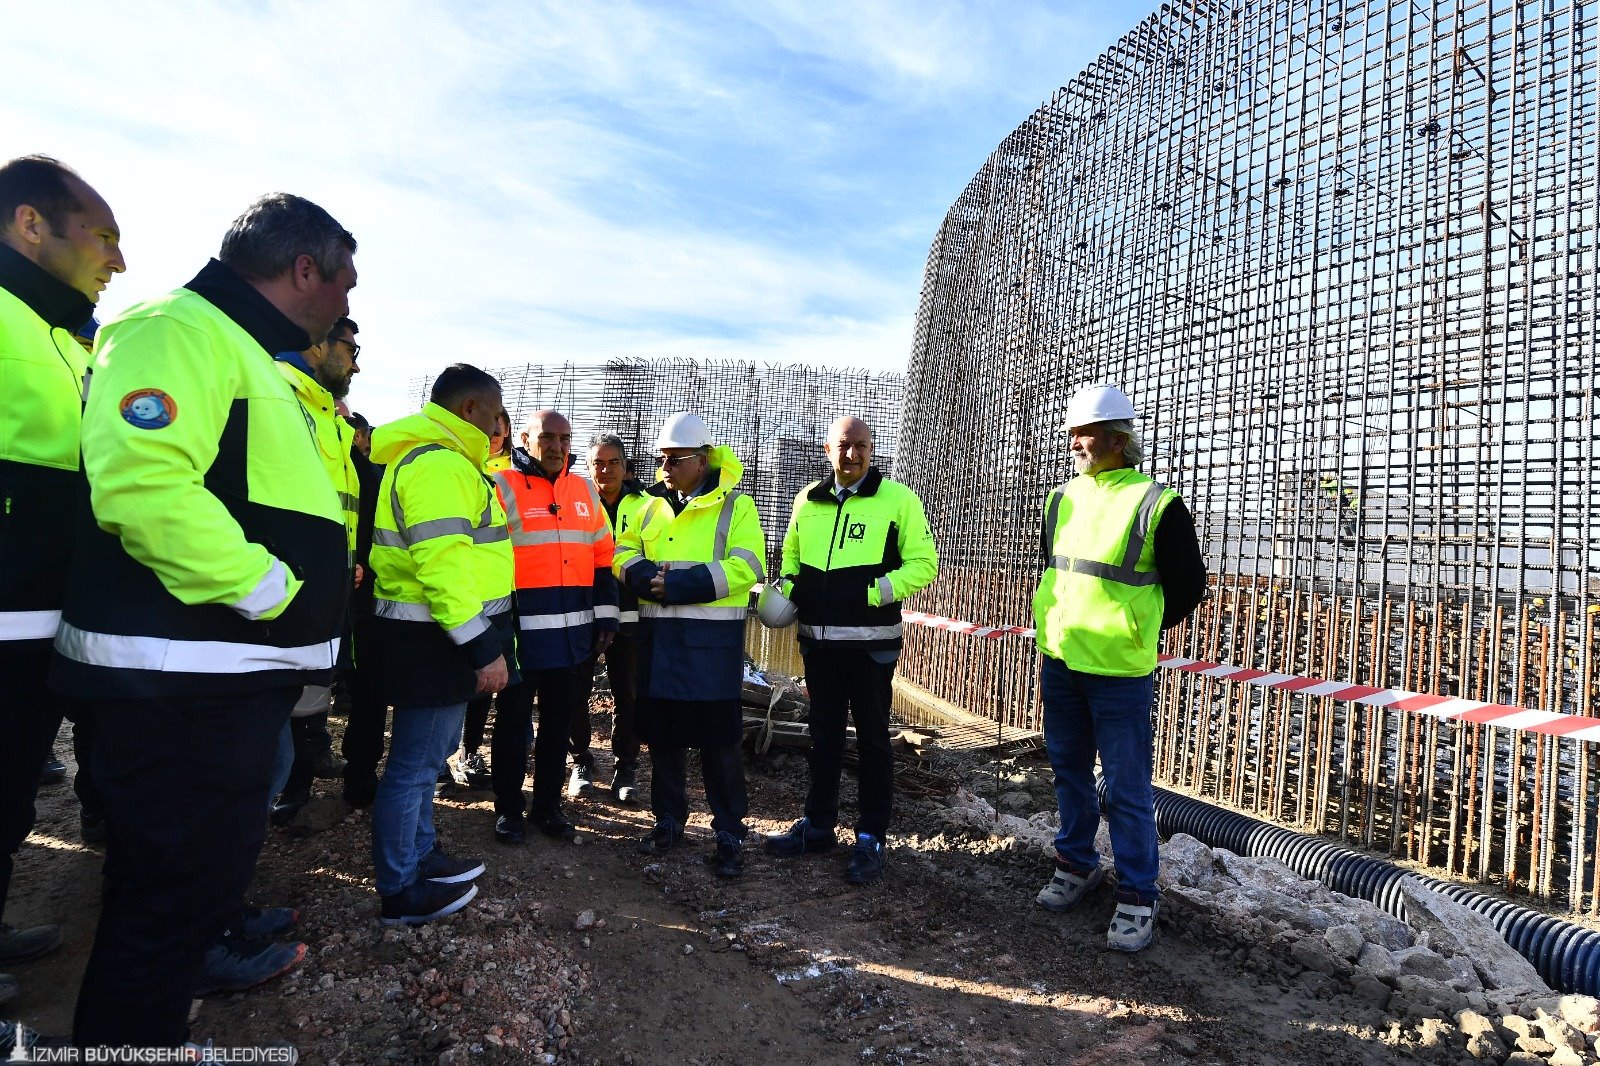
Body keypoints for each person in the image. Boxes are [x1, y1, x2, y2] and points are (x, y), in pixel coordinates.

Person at [51, 192, 355, 1048]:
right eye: (344, 284)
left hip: (211, 681)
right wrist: (271, 591)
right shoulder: (178, 328)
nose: (346, 306)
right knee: (160, 909)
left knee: (185, 899)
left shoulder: (241, 351)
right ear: (305, 270)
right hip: (177, 684)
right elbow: (143, 487)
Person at [0, 156, 123, 1010]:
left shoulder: (61, 338)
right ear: (30, 224)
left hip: (43, 614)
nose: (117, 262)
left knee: (10, 795)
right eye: (104, 237)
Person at [1030, 384, 1205, 953]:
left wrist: (1136, 628)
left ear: (1117, 437)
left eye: (1086, 432)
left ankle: (1137, 895)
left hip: (1119, 673)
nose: (1076, 442)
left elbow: (1188, 587)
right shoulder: (1062, 499)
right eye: (1073, 433)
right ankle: (1075, 863)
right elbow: (1053, 571)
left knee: (1127, 788)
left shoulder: (1157, 503)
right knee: (1069, 772)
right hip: (1061, 661)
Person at [365, 363, 514, 925]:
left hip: (436, 636)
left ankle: (420, 857)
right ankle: (400, 888)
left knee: (425, 761)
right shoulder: (439, 466)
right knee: (413, 765)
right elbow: (443, 567)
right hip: (432, 639)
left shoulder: (446, 462)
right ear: (470, 410)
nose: (501, 425)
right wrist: (482, 647)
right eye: (496, 413)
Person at [764, 416, 938, 884]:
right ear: (828, 449)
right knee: (823, 738)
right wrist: (793, 586)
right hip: (818, 644)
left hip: (870, 647)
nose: (852, 454)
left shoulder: (898, 500)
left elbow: (925, 564)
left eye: (861, 445)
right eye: (844, 446)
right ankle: (818, 825)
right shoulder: (808, 500)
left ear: (871, 449)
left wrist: (871, 592)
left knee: (873, 741)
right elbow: (792, 554)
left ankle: (871, 838)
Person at [614, 412, 765, 877]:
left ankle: (728, 834)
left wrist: (681, 584)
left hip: (710, 647)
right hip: (659, 644)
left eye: (674, 459)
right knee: (662, 739)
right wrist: (639, 575)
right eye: (661, 459)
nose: (664, 467)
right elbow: (622, 550)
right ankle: (668, 821)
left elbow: (749, 565)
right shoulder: (648, 505)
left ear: (701, 461)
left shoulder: (736, 507)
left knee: (719, 745)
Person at [490, 410, 618, 844]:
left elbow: (604, 556)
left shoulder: (583, 489)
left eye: (564, 438)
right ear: (525, 439)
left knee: (558, 726)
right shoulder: (502, 486)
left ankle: (547, 806)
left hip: (573, 638)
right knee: (511, 726)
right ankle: (508, 809)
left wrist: (605, 613)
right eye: (547, 437)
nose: (557, 446)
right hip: (520, 635)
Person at [269, 315, 362, 825]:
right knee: (275, 707)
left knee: (310, 695)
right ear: (317, 344)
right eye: (351, 347)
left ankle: (295, 789)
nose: (356, 361)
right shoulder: (280, 395)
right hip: (285, 581)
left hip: (326, 577)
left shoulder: (325, 413)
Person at [570, 433, 650, 803]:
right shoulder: (576, 502)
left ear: (625, 465)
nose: (605, 470)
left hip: (631, 614)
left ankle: (626, 766)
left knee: (628, 694)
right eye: (597, 463)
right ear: (588, 468)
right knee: (576, 690)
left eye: (612, 462)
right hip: (583, 612)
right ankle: (581, 761)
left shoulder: (648, 505)